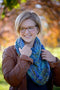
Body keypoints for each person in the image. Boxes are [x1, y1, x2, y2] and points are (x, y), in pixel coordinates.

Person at [2, 10, 60, 90]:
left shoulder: (43, 52)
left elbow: (58, 82)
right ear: (18, 30)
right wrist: (24, 58)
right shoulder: (10, 52)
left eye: (30, 28)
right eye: (22, 28)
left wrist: (55, 62)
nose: (26, 32)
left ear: (37, 29)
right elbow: (11, 81)